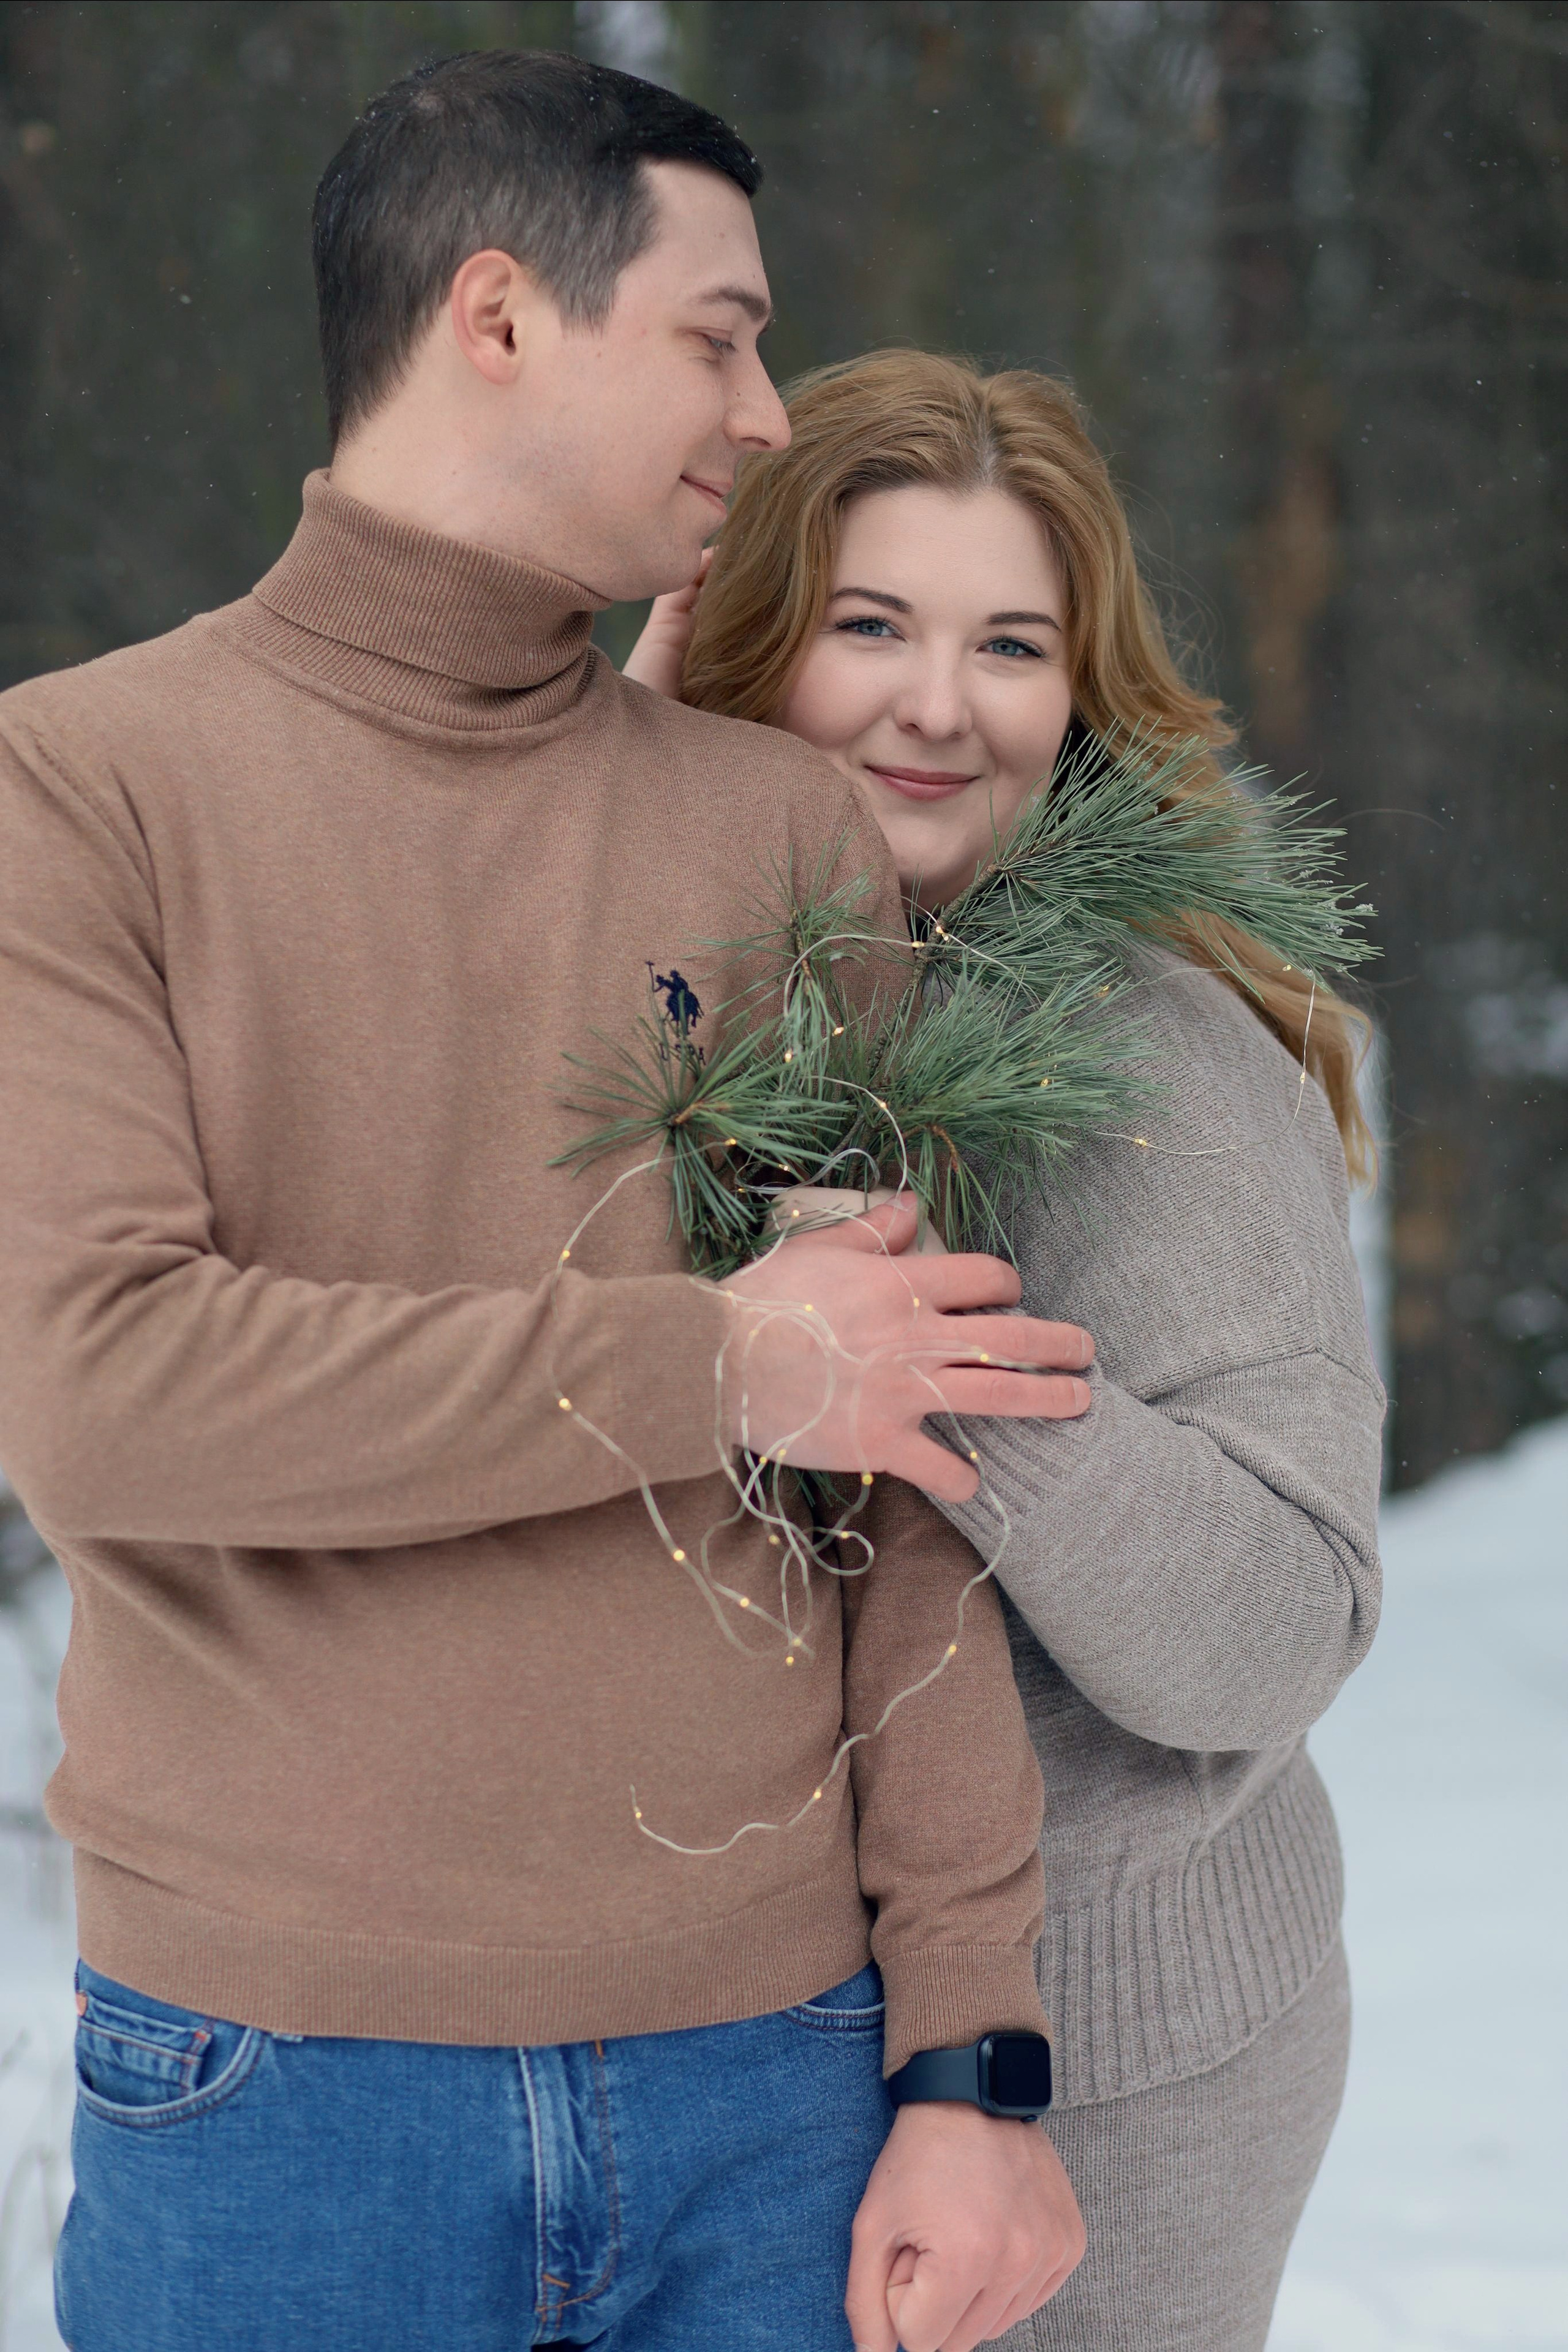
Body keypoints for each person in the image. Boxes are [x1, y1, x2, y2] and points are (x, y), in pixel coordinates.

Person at [0, 61, 1096, 2352]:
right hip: (278, 2092)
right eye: (719, 336)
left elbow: (896, 1490)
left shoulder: (771, 835)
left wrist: (972, 2060)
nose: (769, 408)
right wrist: (724, 1360)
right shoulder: (80, 782)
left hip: (775, 2096)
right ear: (499, 312)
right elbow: (97, 1392)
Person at [625, 346, 1385, 2352]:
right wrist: (610, 776)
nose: (940, 706)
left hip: (1109, 2063)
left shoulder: (1155, 1065)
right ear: (758, 635)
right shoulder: (681, 1003)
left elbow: (1277, 1632)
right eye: (870, 624)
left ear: (1081, 691)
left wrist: (932, 1358)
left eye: (1012, 645)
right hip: (699, 2039)